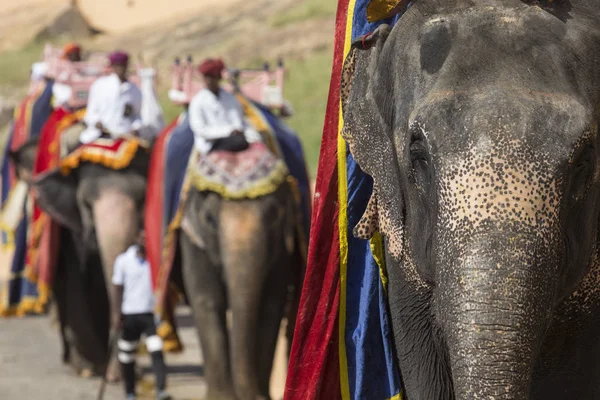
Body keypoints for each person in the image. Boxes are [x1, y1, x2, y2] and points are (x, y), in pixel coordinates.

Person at [111, 229, 171, 400]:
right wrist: (116, 315)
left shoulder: (156, 259)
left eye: (148, 237)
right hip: (129, 315)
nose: (145, 240)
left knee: (157, 350)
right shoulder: (123, 260)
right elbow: (117, 288)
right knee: (126, 356)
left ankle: (161, 390)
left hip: (150, 315)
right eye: (142, 236)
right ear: (136, 238)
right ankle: (130, 392)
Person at [188, 58, 262, 155]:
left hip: (236, 137)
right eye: (207, 77)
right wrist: (228, 131)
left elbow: (238, 120)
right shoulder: (197, 101)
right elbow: (200, 129)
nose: (210, 80)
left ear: (219, 77)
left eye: (213, 77)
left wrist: (242, 131)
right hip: (211, 143)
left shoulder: (230, 97)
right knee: (239, 141)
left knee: (258, 142)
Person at [80, 50, 143, 144]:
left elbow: (137, 115)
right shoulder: (99, 85)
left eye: (122, 65)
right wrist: (96, 122)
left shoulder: (135, 91)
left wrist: (136, 128)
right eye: (117, 65)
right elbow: (91, 113)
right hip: (100, 135)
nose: (120, 68)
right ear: (112, 67)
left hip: (125, 136)